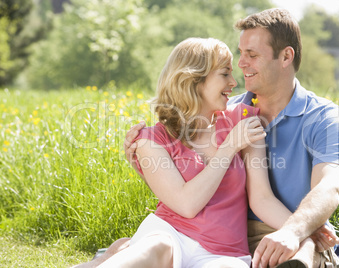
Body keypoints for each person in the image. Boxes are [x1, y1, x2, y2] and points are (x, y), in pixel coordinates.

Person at [122, 8, 339, 268]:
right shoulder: (228, 113)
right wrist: (145, 158)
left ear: (286, 56)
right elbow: (181, 176)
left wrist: (300, 230)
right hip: (219, 234)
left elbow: (327, 188)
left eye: (251, 55)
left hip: (282, 228)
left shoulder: (323, 117)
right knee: (148, 249)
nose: (240, 67)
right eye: (239, 55)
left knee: (300, 253)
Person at [75, 37, 301, 268]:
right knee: (151, 249)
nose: (234, 82)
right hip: (169, 235)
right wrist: (229, 147)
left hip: (226, 254)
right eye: (224, 73)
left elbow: (262, 199)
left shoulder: (242, 120)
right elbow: (187, 205)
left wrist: (303, 229)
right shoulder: (149, 139)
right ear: (194, 79)